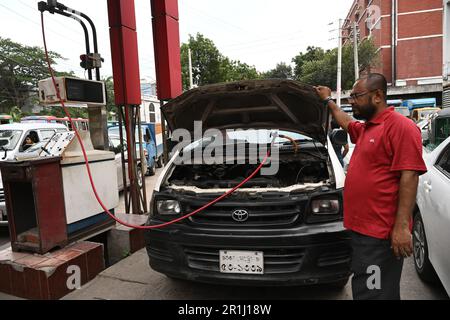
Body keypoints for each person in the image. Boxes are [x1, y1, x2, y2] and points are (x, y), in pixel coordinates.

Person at [315, 73, 427, 300]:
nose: (351, 101)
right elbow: (345, 122)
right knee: (367, 288)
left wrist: (401, 228)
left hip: (380, 234)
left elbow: (409, 176)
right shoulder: (367, 128)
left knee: (374, 293)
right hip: (361, 231)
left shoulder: (400, 127)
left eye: (356, 96)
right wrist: (328, 101)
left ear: (377, 96)